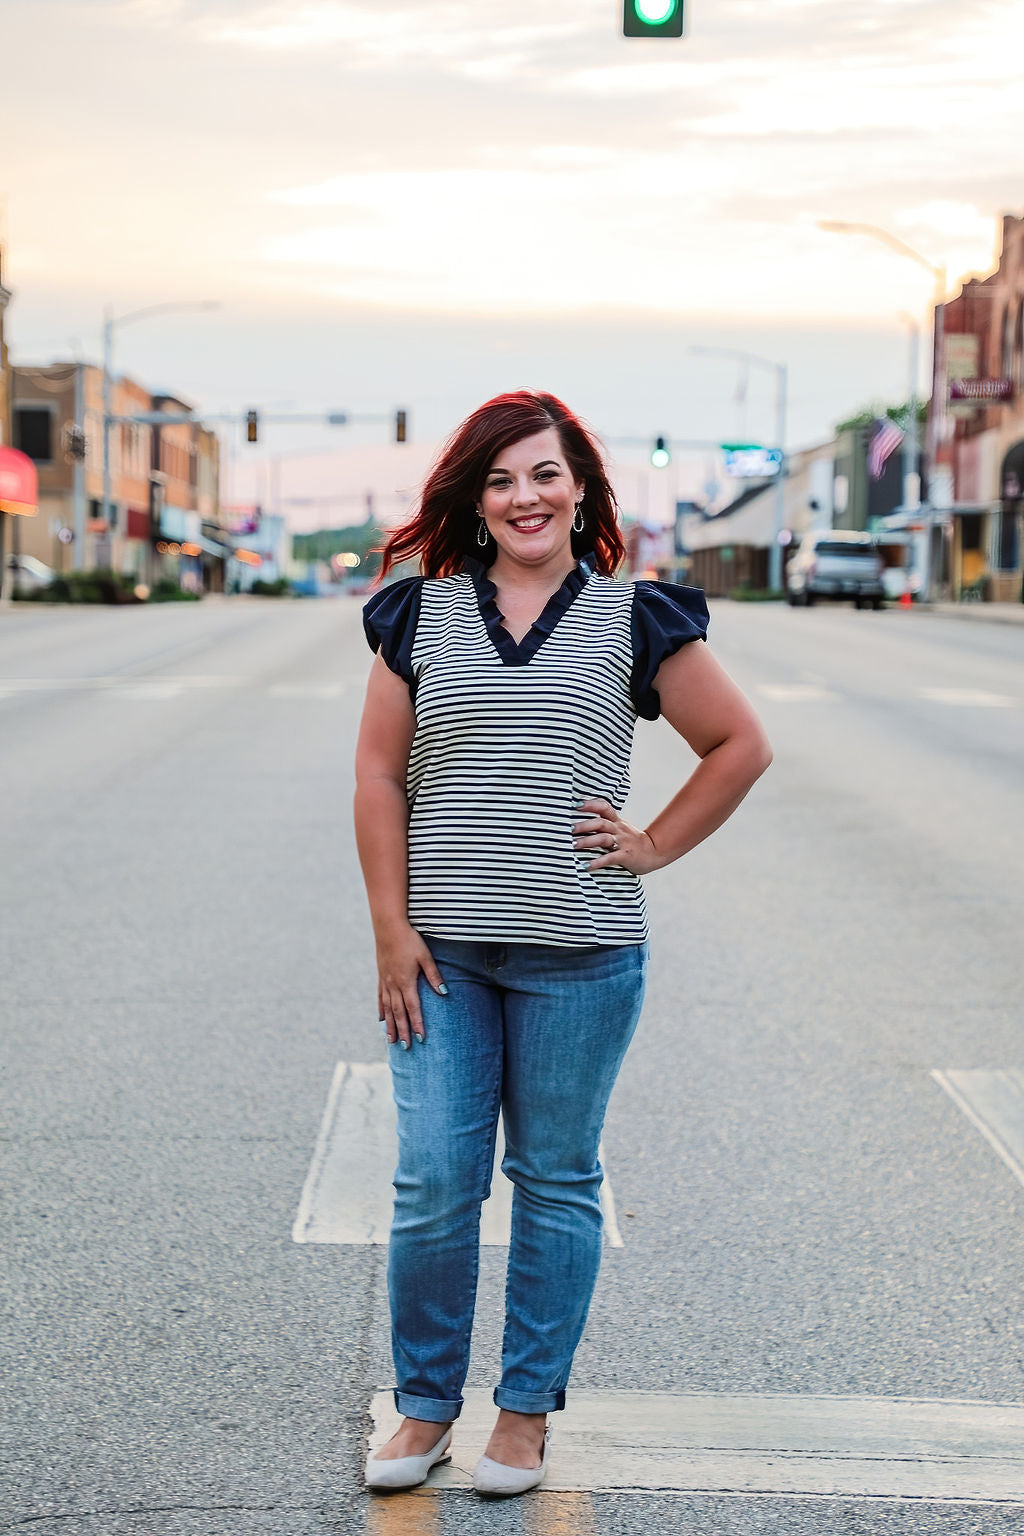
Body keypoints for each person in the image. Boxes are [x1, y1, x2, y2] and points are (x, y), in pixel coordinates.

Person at [354, 389, 771, 1497]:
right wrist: (391, 932)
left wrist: (653, 844)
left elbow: (737, 744)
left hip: (581, 959)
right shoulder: (416, 614)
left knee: (552, 1178)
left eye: (543, 473)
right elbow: (377, 775)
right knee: (436, 1178)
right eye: (499, 479)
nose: (523, 496)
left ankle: (526, 1417)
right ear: (474, 500)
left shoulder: (636, 617)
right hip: (441, 958)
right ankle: (423, 1408)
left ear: (578, 483)